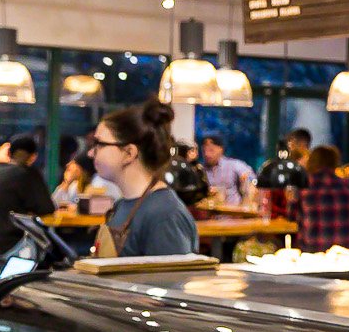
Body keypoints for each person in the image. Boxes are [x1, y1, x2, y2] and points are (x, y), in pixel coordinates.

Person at [88, 100, 198, 259]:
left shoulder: (165, 215)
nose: (91, 153)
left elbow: (170, 282)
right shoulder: (122, 205)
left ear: (129, 153)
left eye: (99, 144)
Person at [0, 135, 55, 261]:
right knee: (42, 246)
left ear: (9, 153)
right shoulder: (28, 174)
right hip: (2, 248)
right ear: (33, 157)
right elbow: (47, 208)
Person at [293, 145, 349, 252]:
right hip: (347, 251)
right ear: (335, 162)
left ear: (312, 162)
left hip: (312, 251)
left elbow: (291, 216)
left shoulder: (303, 186)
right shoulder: (346, 185)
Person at [198, 134, 256, 209]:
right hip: (210, 213)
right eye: (204, 151)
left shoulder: (233, 165)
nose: (207, 154)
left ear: (221, 149)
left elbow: (251, 178)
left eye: (211, 150)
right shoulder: (200, 170)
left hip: (233, 214)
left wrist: (247, 180)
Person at [51, 152, 120, 211]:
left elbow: (103, 207)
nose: (68, 165)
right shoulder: (75, 185)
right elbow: (53, 205)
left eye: (74, 163)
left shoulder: (100, 182)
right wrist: (66, 183)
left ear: (82, 169)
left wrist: (76, 208)